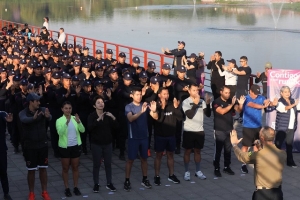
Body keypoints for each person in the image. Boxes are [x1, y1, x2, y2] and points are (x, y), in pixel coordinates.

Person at [230, 127, 286, 200]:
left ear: (262, 138)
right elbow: (268, 156)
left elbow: (242, 157)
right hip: (277, 193)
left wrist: (234, 145)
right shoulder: (282, 153)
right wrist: (260, 148)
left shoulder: (258, 155)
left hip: (262, 194)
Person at [124, 88, 158, 191]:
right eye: (137, 94)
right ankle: (127, 180)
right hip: (133, 137)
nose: (139, 96)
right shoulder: (128, 107)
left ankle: (145, 179)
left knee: (144, 159)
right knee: (130, 160)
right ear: (132, 96)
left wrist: (154, 110)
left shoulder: (145, 105)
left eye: (140, 94)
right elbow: (130, 118)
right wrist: (141, 112)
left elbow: (155, 117)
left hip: (144, 137)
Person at [19, 93, 52, 200]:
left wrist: (48, 117)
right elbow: (24, 119)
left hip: (42, 145)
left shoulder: (42, 109)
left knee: (43, 169)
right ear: (31, 102)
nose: (39, 102)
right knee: (31, 170)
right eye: (37, 101)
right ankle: (31, 193)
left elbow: (50, 116)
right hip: (30, 146)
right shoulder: (23, 112)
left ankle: (44, 192)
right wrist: (33, 118)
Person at [87, 96, 119, 193]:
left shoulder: (108, 115)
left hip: (108, 143)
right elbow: (89, 129)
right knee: (96, 164)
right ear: (94, 105)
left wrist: (113, 118)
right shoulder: (91, 116)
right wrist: (97, 120)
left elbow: (117, 127)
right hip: (96, 144)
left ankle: (109, 183)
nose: (101, 104)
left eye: (102, 102)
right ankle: (96, 184)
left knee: (108, 164)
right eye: (98, 102)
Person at [152, 87, 182, 186]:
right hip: (160, 135)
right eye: (164, 94)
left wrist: (177, 108)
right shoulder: (155, 105)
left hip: (171, 135)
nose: (166, 96)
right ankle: (156, 176)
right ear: (159, 95)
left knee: (170, 155)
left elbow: (180, 118)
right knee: (159, 156)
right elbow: (158, 120)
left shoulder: (172, 104)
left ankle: (171, 174)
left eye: (167, 94)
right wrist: (163, 108)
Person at [212, 86, 244, 177]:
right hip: (219, 130)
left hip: (229, 129)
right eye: (226, 93)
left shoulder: (231, 100)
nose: (228, 94)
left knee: (228, 149)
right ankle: (216, 168)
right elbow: (221, 111)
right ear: (221, 92)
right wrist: (231, 105)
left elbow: (238, 110)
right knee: (218, 150)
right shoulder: (216, 102)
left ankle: (227, 167)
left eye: (229, 93)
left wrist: (241, 104)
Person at [182, 84, 211, 181]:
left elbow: (208, 114)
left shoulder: (202, 101)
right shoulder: (186, 102)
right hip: (189, 130)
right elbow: (189, 115)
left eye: (197, 90)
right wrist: (195, 104)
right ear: (189, 91)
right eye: (194, 90)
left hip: (199, 130)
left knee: (198, 151)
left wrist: (207, 103)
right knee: (188, 151)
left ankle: (198, 171)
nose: (196, 92)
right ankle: (186, 171)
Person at [56, 101, 85, 197]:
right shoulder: (59, 120)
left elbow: (83, 130)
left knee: (75, 167)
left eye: (70, 108)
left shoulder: (74, 118)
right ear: (62, 109)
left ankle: (76, 187)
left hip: (75, 146)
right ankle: (67, 188)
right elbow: (60, 133)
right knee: (65, 168)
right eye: (66, 108)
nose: (68, 110)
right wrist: (66, 123)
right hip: (65, 147)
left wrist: (79, 122)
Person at [239, 84, 270, 174]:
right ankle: (243, 164)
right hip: (248, 126)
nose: (256, 95)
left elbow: (266, 101)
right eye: (255, 93)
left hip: (258, 126)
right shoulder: (246, 98)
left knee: (257, 145)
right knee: (245, 146)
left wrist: (269, 102)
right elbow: (252, 105)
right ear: (250, 91)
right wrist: (263, 107)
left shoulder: (261, 97)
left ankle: (256, 161)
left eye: (257, 93)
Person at [272, 86, 299, 168]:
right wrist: (294, 104)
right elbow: (285, 108)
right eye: (285, 92)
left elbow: (298, 107)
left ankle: (290, 162)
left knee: (289, 145)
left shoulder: (293, 100)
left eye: (289, 92)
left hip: (291, 127)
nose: (288, 93)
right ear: (281, 93)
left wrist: (295, 103)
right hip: (281, 127)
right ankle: (274, 163)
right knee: (278, 145)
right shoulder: (279, 102)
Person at [0, 111, 13, 200]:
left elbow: (6, 117)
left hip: (1, 150)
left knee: (3, 171)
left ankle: (6, 193)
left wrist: (8, 120)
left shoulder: (1, 114)